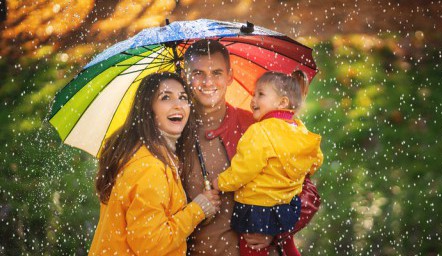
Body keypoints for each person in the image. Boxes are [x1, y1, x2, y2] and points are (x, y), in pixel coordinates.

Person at [180, 39, 321, 256]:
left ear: (230, 76)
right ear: (184, 77)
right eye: (198, 73)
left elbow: (307, 192)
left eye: (217, 73)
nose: (208, 82)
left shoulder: (259, 126)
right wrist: (195, 210)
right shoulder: (174, 137)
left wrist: (274, 229)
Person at [88, 72, 221, 255]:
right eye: (165, 97)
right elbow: (151, 245)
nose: (178, 105)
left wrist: (199, 209)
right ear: (148, 108)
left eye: (183, 97)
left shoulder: (150, 155)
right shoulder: (149, 167)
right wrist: (197, 209)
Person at [212, 70, 323, 256]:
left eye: (260, 94)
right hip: (288, 205)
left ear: (282, 102)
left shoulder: (259, 131)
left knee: (252, 248)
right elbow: (316, 159)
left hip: (257, 208)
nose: (253, 100)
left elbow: (244, 169)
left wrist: (221, 183)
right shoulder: (299, 128)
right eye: (254, 94)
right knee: (288, 246)